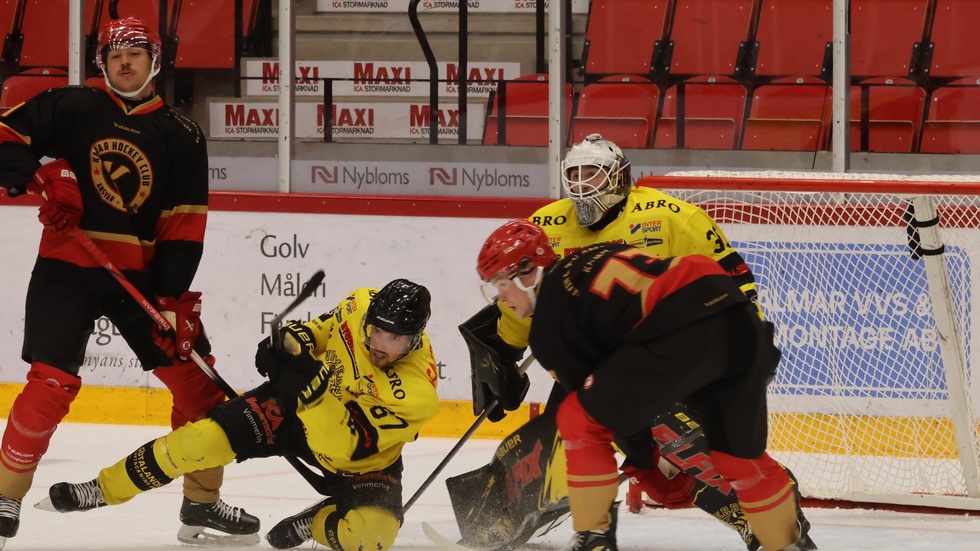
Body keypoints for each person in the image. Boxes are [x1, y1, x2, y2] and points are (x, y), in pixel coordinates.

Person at [460, 134, 815, 550]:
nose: (581, 184)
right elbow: (524, 308)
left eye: (591, 173)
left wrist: (643, 462)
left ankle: (595, 536)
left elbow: (732, 272)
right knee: (732, 457)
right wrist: (502, 349)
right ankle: (783, 536)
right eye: (573, 174)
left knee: (611, 428)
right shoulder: (548, 224)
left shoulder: (670, 215)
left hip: (663, 340)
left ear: (618, 176)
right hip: (712, 333)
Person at [0, 16, 260, 547]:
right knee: (51, 383)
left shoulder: (181, 135)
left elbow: (183, 226)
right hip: (67, 266)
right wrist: (44, 175)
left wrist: (172, 301)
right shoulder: (72, 105)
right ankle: (5, 497)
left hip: (137, 281)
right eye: (115, 53)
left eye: (136, 52)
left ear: (155, 61)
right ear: (102, 63)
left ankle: (201, 506)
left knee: (201, 388)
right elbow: (5, 134)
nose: (125, 61)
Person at [38, 279, 439, 551]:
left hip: (360, 460)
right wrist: (289, 341)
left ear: (415, 338)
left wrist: (313, 392)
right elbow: (320, 332)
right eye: (377, 330)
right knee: (197, 441)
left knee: (372, 538)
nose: (380, 344)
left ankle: (315, 521)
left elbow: (346, 445)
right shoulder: (360, 303)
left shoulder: (417, 394)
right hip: (293, 409)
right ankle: (101, 489)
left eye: (396, 339)